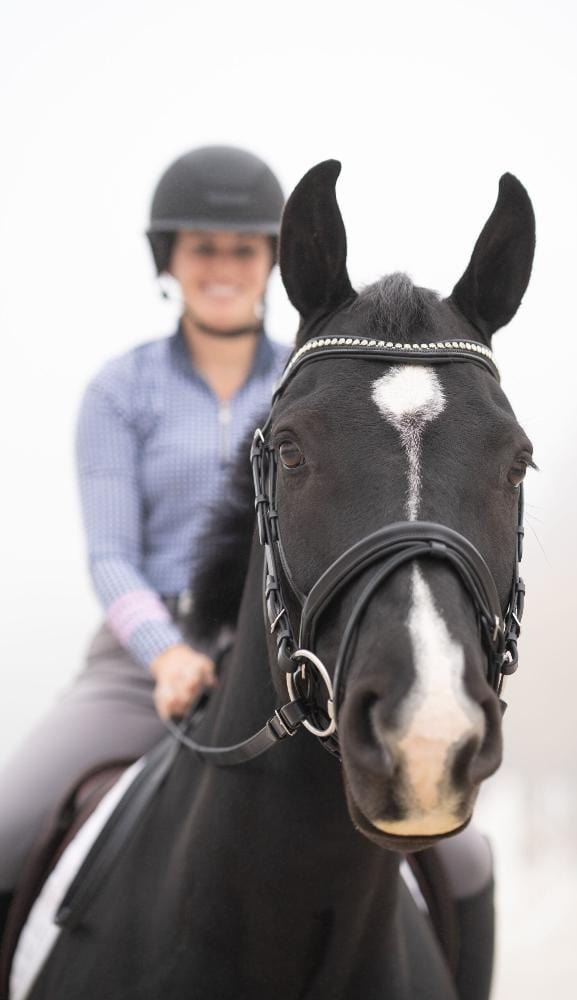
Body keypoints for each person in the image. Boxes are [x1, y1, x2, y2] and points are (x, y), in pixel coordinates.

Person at [0, 146, 291, 937]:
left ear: (273, 259)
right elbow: (109, 556)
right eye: (203, 247)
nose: (223, 266)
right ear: (170, 257)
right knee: (5, 829)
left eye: (244, 248)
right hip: (140, 662)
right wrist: (166, 651)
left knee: (462, 856)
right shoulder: (119, 389)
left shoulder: (309, 381)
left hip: (286, 660)